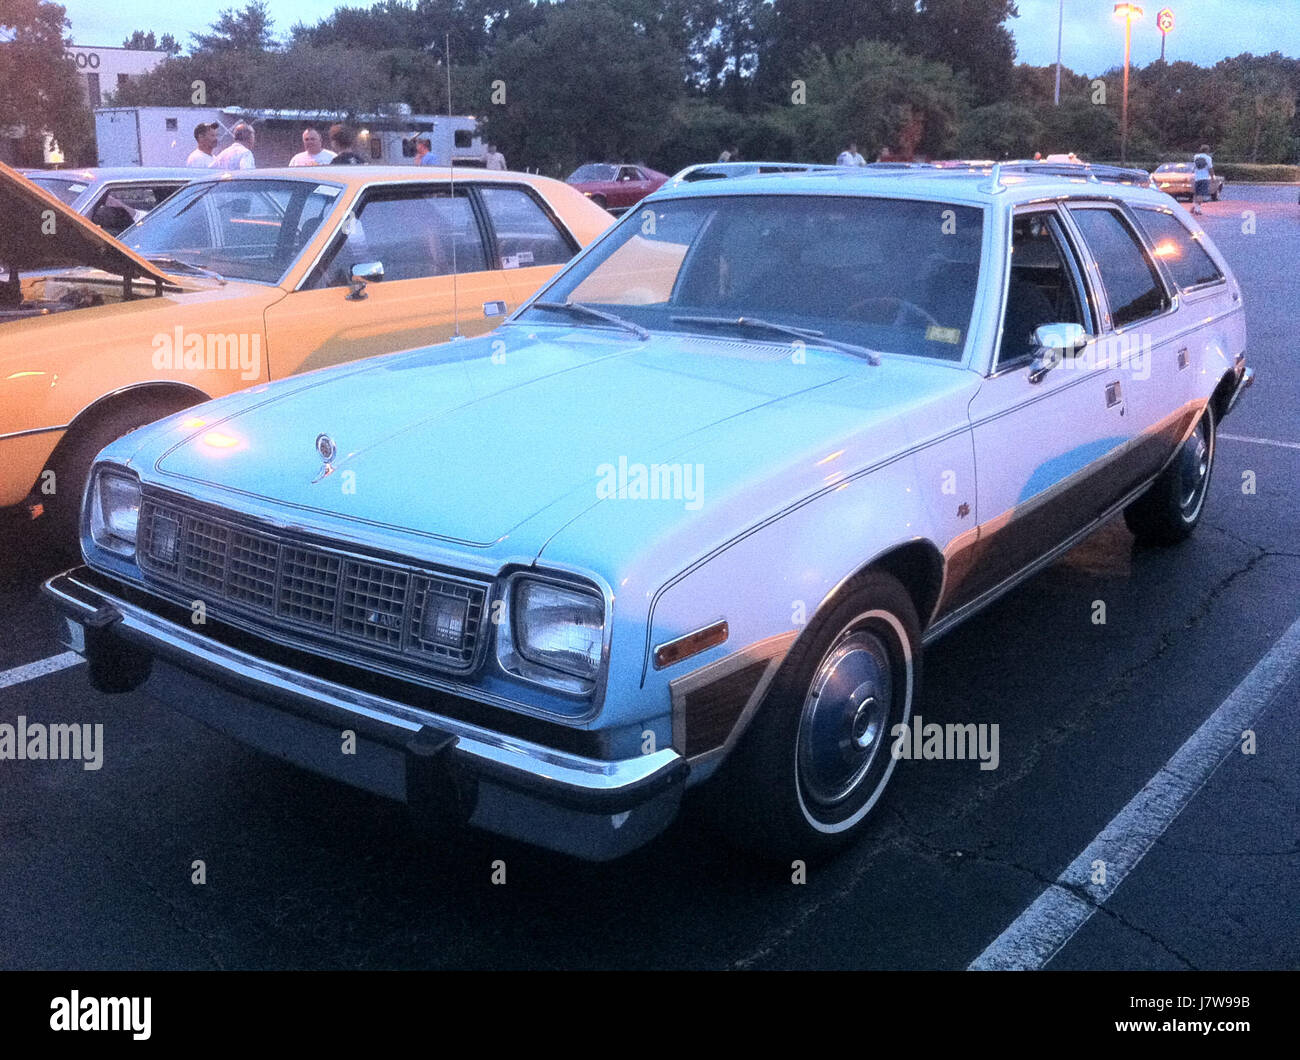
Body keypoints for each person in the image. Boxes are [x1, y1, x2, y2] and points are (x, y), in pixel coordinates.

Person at [1192, 144, 1214, 215]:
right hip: (1204, 178)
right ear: (1207, 150)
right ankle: (1198, 210)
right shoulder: (1208, 158)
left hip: (1197, 178)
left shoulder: (1195, 157)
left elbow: (1194, 167)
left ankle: (1195, 207)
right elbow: (1210, 168)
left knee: (1196, 194)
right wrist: (1212, 177)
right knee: (1201, 194)